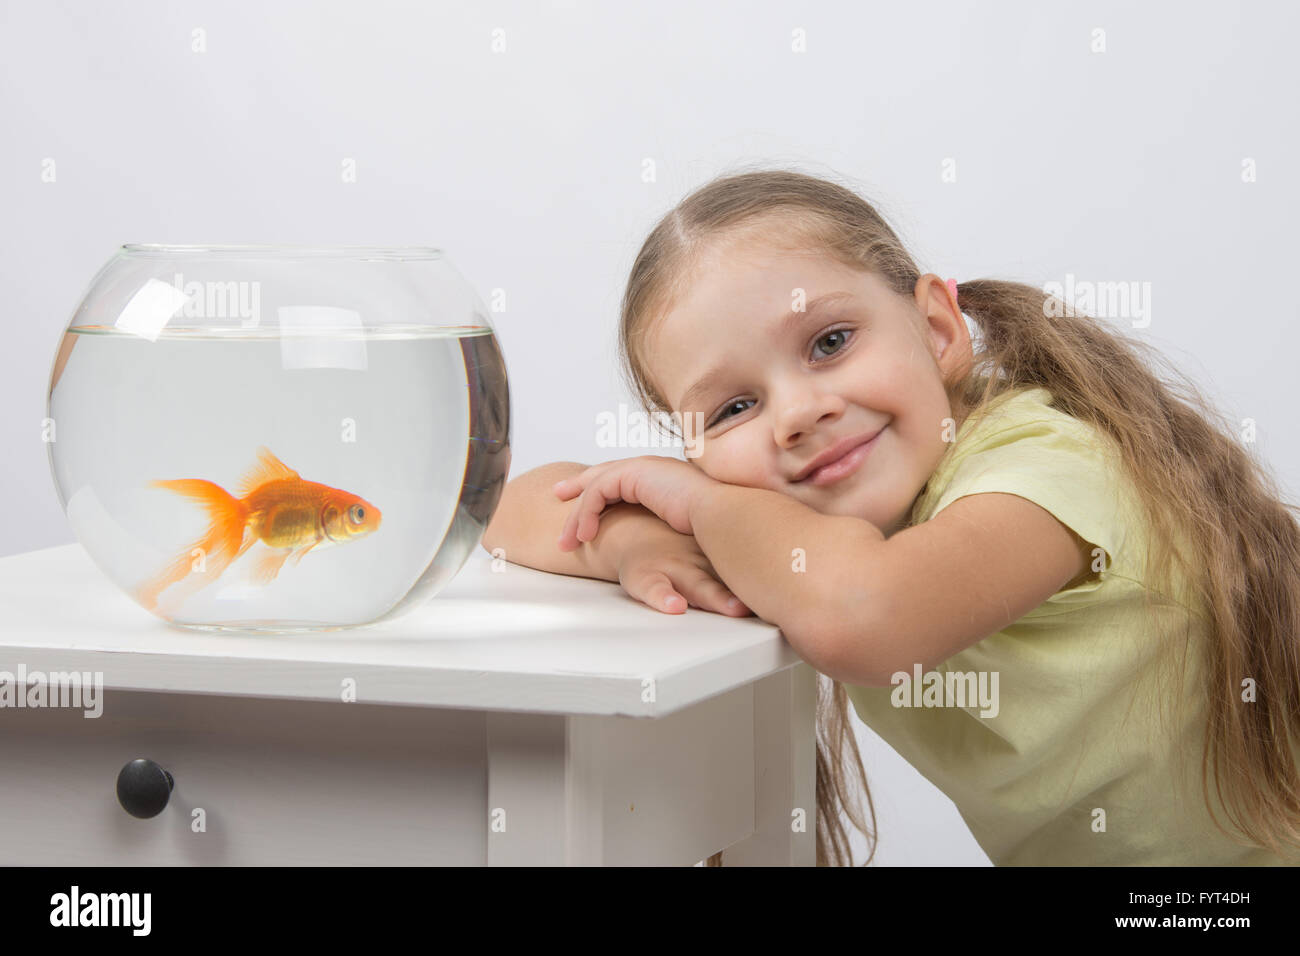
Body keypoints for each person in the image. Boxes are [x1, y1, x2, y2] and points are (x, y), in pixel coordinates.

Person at [482, 167, 1300, 866]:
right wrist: (631, 538)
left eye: (830, 341)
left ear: (939, 329)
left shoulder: (1049, 461)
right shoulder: (783, 522)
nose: (796, 413)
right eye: (734, 406)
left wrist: (697, 503)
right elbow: (506, 509)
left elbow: (869, 616)